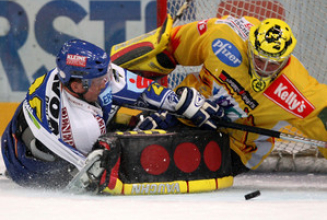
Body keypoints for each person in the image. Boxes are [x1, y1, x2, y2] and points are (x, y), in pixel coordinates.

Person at [1, 39, 225, 193]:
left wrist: (177, 102)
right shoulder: (80, 127)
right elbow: (107, 166)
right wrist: (155, 126)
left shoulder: (76, 80)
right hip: (27, 167)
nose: (107, 81)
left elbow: (139, 89)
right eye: (100, 80)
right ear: (78, 85)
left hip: (17, 135)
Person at [135, 15, 327, 175]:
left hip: (236, 147)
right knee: (134, 128)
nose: (264, 69)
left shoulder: (297, 92)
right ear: (250, 47)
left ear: (286, 60)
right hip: (185, 108)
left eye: (273, 64)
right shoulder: (224, 36)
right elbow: (175, 43)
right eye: (259, 60)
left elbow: (322, 113)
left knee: (168, 162)